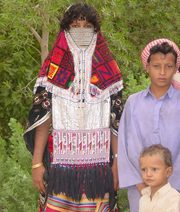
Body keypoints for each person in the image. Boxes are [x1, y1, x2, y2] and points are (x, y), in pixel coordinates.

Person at [24, 2, 123, 212]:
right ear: (65, 31)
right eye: (75, 26)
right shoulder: (50, 77)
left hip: (99, 173)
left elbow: (115, 124)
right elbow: (43, 122)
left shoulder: (110, 77)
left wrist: (116, 163)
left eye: (87, 27)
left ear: (96, 31)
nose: (81, 32)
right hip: (59, 172)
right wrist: (36, 164)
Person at [117, 38, 180, 212]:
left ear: (176, 69)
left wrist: (169, 185)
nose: (162, 72)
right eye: (156, 66)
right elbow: (124, 145)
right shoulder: (133, 102)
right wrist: (139, 184)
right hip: (140, 189)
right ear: (147, 67)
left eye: (168, 66)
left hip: (176, 190)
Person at [139, 144, 180, 212]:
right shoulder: (144, 198)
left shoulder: (173, 198)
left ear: (168, 172)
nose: (148, 174)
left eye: (154, 169)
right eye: (144, 169)